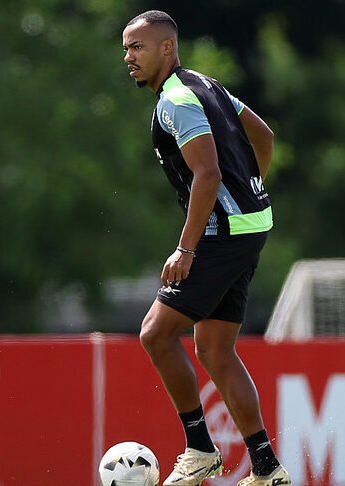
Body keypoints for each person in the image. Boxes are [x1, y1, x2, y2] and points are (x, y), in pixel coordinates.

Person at [121, 10, 291, 486]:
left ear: (167, 48)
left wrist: (186, 249)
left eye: (138, 47)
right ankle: (265, 468)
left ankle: (199, 448)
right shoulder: (206, 84)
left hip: (224, 233)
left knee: (155, 334)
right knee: (215, 349)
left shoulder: (175, 100)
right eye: (126, 49)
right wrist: (251, 188)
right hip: (253, 223)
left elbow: (208, 173)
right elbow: (264, 135)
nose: (129, 58)